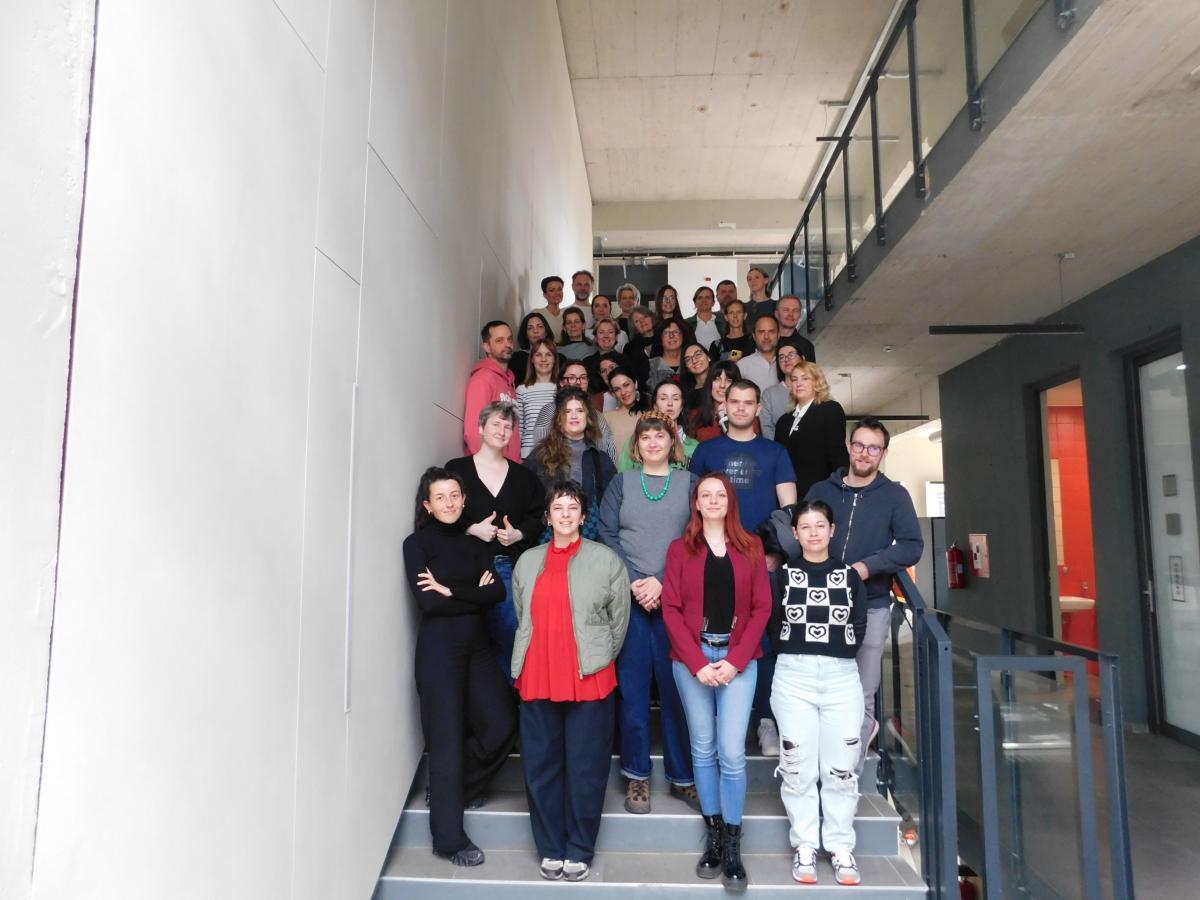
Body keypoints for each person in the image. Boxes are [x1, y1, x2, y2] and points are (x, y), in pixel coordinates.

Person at [512, 480, 630, 882]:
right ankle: (550, 847)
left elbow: (619, 622)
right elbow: (522, 615)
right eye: (558, 508)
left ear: (583, 516)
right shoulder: (527, 561)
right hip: (537, 674)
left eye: (573, 508)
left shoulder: (606, 560)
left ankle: (579, 847)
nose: (565, 514)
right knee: (541, 767)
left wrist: (598, 656)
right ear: (547, 517)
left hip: (589, 677)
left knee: (585, 769)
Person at [402, 467, 518, 866]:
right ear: (427, 505)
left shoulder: (474, 543)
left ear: (463, 499)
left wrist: (450, 590)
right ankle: (449, 841)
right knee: (446, 740)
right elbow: (429, 603)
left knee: (503, 722)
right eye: (440, 497)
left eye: (455, 495)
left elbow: (497, 592)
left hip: (478, 648)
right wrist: (471, 595)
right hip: (439, 652)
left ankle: (454, 788)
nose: (449, 503)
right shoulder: (416, 545)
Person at [662, 473, 772, 892]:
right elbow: (671, 610)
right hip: (693, 658)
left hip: (737, 658)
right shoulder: (680, 549)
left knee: (732, 752)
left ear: (730, 502)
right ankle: (712, 835)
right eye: (705, 495)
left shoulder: (752, 547)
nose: (712, 500)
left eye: (719, 494)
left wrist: (735, 660)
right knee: (703, 748)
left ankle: (732, 843)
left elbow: (762, 609)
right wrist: (697, 663)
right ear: (696, 503)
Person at [805, 417, 923, 774]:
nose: (864, 453)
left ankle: (846, 776)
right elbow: (805, 532)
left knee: (862, 690)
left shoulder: (894, 495)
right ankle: (822, 766)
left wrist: (868, 567)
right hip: (821, 605)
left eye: (874, 447)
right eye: (859, 445)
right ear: (849, 447)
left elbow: (911, 545)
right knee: (821, 688)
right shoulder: (822, 490)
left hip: (870, 604)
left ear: (883, 453)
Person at [688, 379, 798, 756]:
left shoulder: (775, 452)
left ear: (757, 409)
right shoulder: (707, 451)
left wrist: (777, 554)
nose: (740, 408)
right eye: (734, 401)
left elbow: (789, 511)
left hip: (761, 561)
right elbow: (693, 505)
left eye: (748, 402)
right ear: (725, 405)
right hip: (713, 560)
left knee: (764, 642)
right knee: (711, 637)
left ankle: (765, 721)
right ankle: (716, 721)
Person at [598, 412, 700, 815]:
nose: (653, 442)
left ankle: (682, 777)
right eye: (646, 437)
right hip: (631, 600)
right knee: (634, 691)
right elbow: (606, 533)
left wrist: (661, 581)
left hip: (675, 600)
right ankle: (637, 775)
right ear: (636, 446)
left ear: (672, 443)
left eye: (660, 435)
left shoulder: (689, 483)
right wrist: (637, 581)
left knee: (677, 692)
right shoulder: (621, 483)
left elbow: (695, 536)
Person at [771, 500, 868, 887]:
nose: (813, 533)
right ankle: (806, 845)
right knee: (797, 767)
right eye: (806, 527)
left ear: (832, 530)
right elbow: (773, 624)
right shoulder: (782, 576)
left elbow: (858, 625)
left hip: (841, 678)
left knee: (841, 768)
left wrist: (834, 652)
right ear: (795, 534)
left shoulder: (850, 576)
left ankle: (841, 846)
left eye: (820, 525)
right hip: (793, 676)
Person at [447, 404, 548, 678]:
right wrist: (471, 528)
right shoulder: (456, 470)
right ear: (480, 428)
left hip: (506, 567)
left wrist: (519, 534)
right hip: (465, 568)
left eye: (507, 427)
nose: (502, 431)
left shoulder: (524, 477)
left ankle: (510, 700)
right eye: (496, 424)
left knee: (509, 636)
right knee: (469, 639)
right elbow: (443, 511)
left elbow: (539, 516)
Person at [526, 387, 617, 535]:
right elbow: (526, 499)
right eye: (567, 411)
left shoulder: (601, 459)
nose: (574, 416)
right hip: (549, 534)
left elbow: (611, 505)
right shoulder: (540, 454)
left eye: (579, 410)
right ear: (559, 419)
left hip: (589, 536)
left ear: (588, 416)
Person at [773, 362, 849, 497]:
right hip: (787, 496)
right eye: (794, 379)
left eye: (805, 378)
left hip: (821, 494)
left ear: (817, 382)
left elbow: (838, 455)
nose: (798, 383)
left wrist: (842, 492)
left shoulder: (830, 410)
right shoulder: (783, 421)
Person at [530, 363, 619, 462]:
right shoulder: (549, 410)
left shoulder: (597, 415)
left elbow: (609, 449)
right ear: (561, 382)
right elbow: (540, 449)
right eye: (572, 378)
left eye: (583, 378)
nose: (578, 382)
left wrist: (607, 470)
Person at [465, 321, 521, 461]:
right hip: (491, 469)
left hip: (510, 467)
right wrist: (492, 466)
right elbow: (473, 431)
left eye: (509, 339)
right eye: (499, 340)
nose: (507, 344)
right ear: (487, 347)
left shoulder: (509, 382)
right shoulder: (482, 379)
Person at [619, 378, 697, 470]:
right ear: (655, 406)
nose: (670, 403)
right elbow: (624, 475)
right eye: (663, 398)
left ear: (682, 406)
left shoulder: (695, 447)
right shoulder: (635, 441)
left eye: (676, 399)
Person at [516, 339, 560, 459]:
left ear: (555, 359)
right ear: (532, 359)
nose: (543, 359)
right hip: (528, 456)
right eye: (538, 355)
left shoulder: (562, 389)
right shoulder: (522, 390)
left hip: (557, 455)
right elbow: (518, 429)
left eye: (548, 354)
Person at [685, 360, 744, 443]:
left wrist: (725, 419)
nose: (722, 385)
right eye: (717, 379)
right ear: (710, 383)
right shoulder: (695, 416)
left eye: (729, 380)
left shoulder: (746, 415)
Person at [759, 343, 804, 441]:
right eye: (781, 357)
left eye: (791, 354)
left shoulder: (815, 388)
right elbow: (767, 430)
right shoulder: (769, 394)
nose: (786, 359)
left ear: (802, 358)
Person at [736, 315, 782, 395]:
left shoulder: (787, 363)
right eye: (761, 332)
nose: (766, 337)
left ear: (778, 335)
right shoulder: (742, 365)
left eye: (771, 331)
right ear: (754, 336)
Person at [603, 366, 644, 454]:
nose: (623, 392)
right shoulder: (606, 418)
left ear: (635, 384)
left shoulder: (650, 414)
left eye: (626, 385)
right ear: (613, 393)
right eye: (617, 389)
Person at [509, 311, 553, 383]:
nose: (535, 331)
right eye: (530, 328)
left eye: (540, 326)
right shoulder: (517, 359)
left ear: (546, 332)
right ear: (525, 335)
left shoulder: (560, 357)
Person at [775, 295, 817, 364]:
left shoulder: (807, 346)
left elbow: (810, 371)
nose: (791, 314)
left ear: (800, 315)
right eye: (786, 310)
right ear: (776, 314)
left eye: (795, 310)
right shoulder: (764, 341)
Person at [647, 319, 686, 388]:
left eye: (676, 332)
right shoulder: (649, 366)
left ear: (683, 336)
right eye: (666, 333)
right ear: (660, 338)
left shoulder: (692, 362)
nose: (671, 336)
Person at [686, 285, 725, 354]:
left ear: (713, 302)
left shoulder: (723, 322)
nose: (704, 301)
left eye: (707, 297)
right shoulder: (686, 323)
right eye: (700, 298)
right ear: (695, 302)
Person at [679, 340, 714, 411]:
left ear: (708, 357)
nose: (694, 361)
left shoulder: (721, 384)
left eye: (698, 355)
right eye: (688, 359)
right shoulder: (685, 394)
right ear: (686, 368)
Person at [532, 275, 566, 340]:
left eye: (559, 289)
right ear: (545, 295)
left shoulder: (567, 315)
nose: (557, 293)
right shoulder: (536, 314)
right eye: (552, 290)